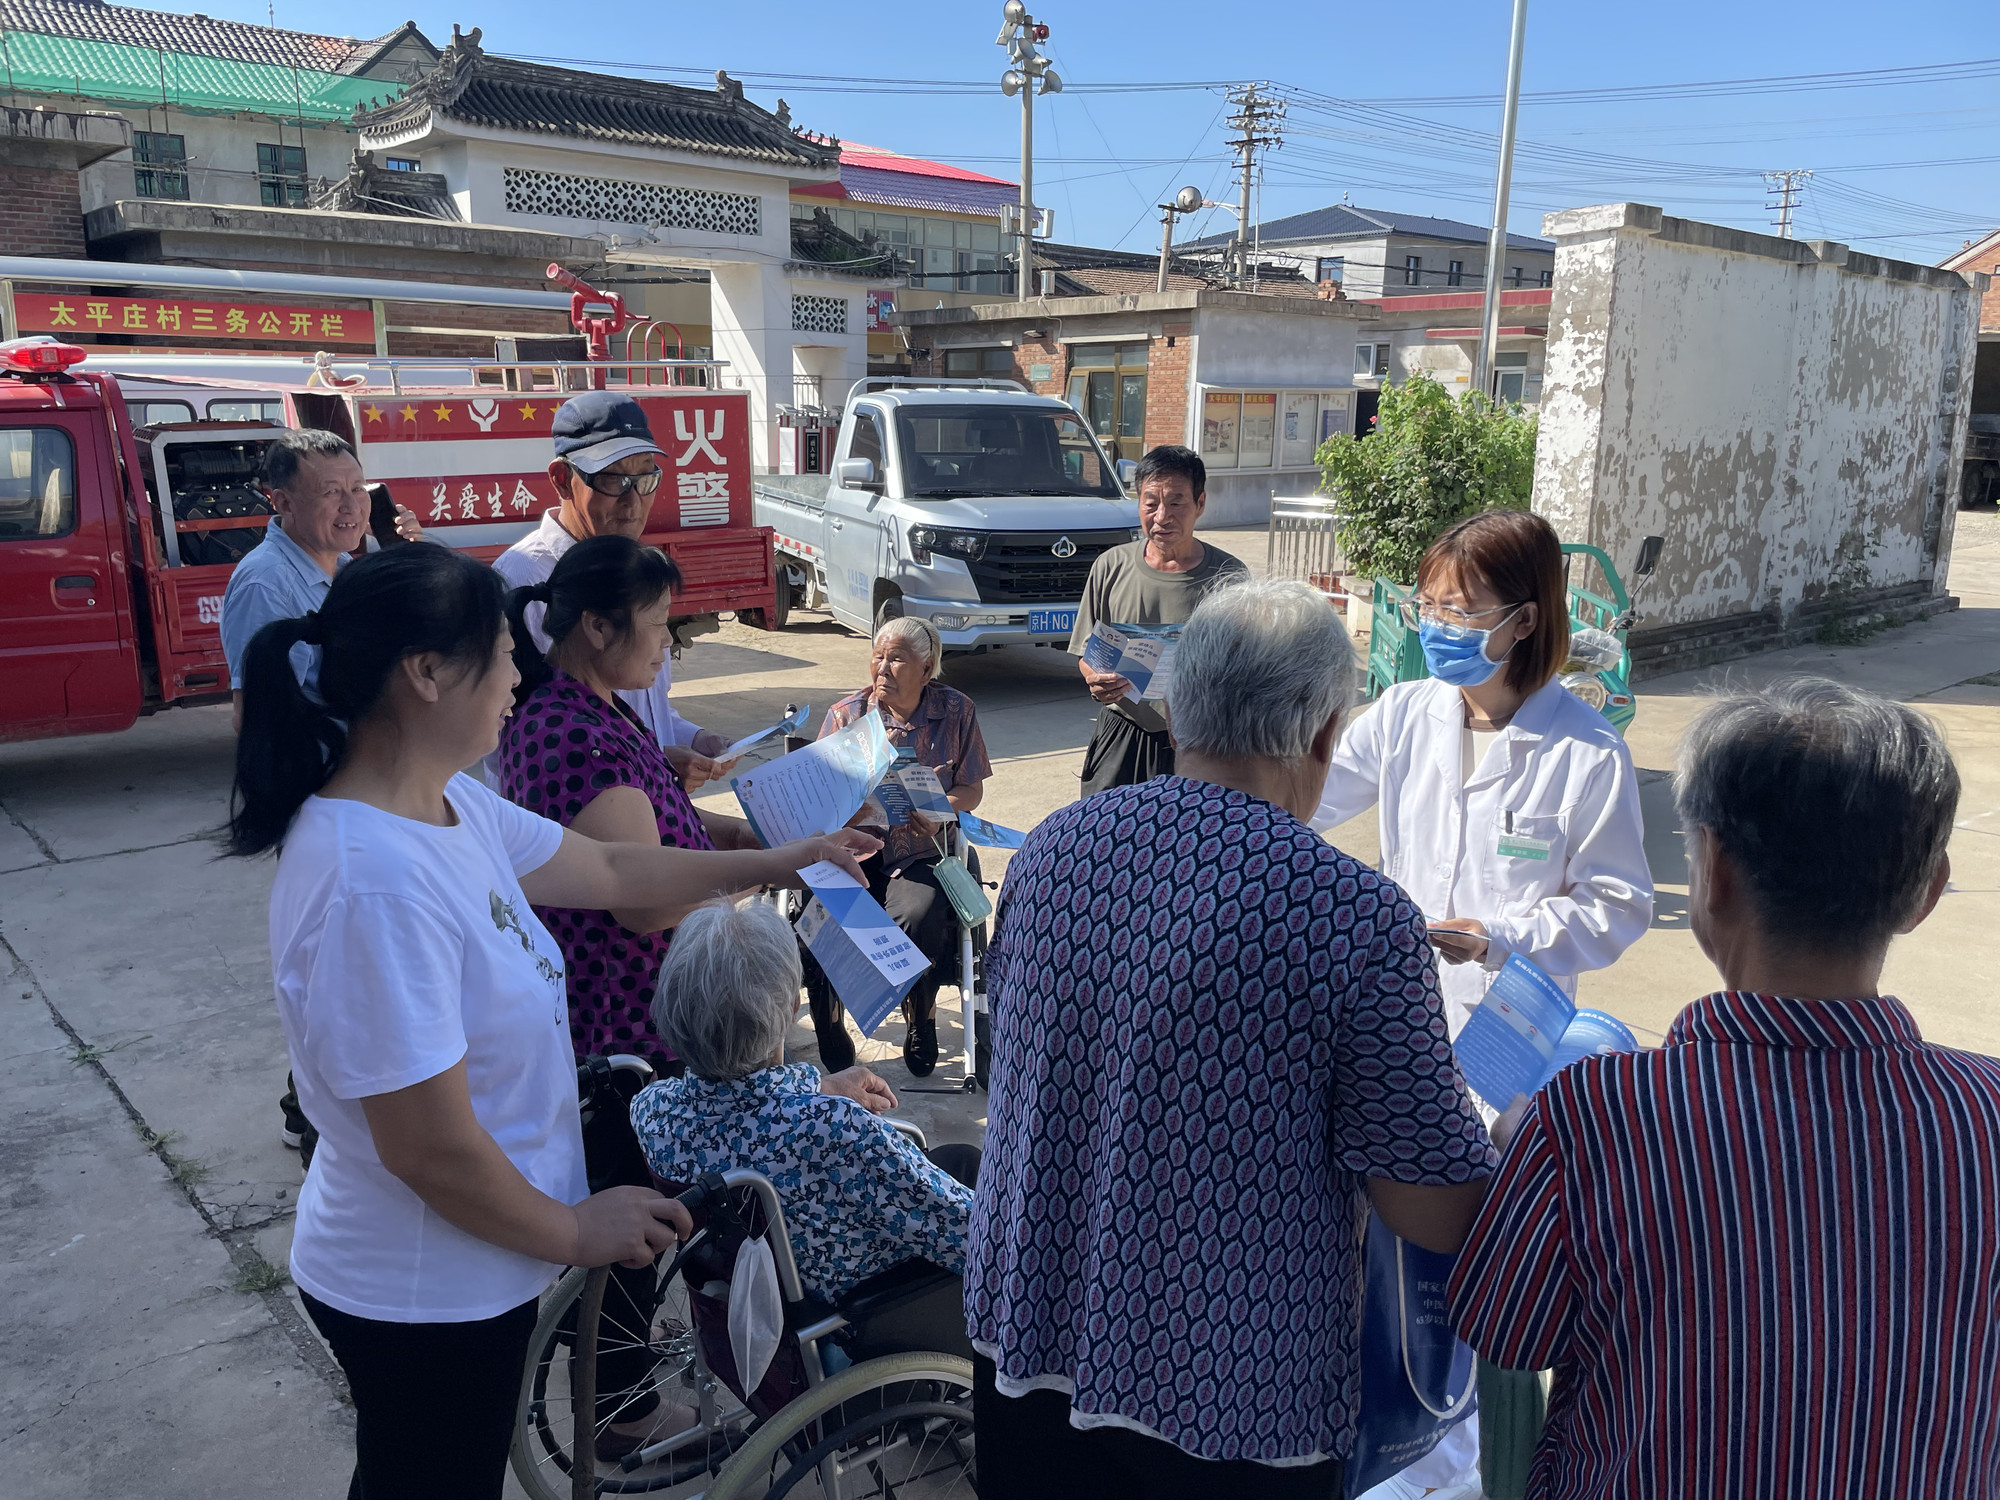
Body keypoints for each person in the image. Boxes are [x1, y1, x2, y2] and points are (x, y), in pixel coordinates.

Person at [226, 543, 876, 1500]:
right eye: (500, 656)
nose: (517, 681)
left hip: (471, 1263)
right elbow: (426, 1147)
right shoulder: (373, 881)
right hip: (422, 1285)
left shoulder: (449, 806)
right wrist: (572, 1229)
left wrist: (788, 859)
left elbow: (611, 869)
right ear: (425, 673)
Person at [967, 580, 1497, 1497]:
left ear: (1177, 711)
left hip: (1028, 1349)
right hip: (1230, 1405)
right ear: (1326, 734)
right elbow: (1435, 1206)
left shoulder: (1051, 853)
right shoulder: (1355, 920)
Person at [1448, 677, 1999, 1499]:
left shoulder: (1596, 1114)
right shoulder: (1985, 1115)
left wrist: (1520, 1158)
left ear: (1713, 872)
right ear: (1926, 890)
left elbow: (1506, 1331)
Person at [493, 533, 901, 1461]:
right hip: (627, 1016)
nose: (668, 645)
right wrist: (778, 863)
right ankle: (621, 1416)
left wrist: (772, 836)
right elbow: (642, 897)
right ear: (597, 628)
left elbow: (667, 831)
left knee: (654, 1206)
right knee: (639, 1219)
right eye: (658, 626)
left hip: (649, 1005)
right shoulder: (570, 732)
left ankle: (625, 1396)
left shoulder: (597, 709)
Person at [1313, 509, 1653, 1040]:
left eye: (1459, 612)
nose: (1436, 626)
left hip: (1510, 1023)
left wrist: (1498, 938)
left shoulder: (1589, 752)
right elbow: (1311, 798)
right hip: (1397, 1008)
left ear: (1524, 621)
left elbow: (1615, 906)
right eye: (1427, 606)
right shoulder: (1401, 714)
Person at [631, 895, 979, 1342]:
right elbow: (976, 1238)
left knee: (958, 1160)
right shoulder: (833, 1130)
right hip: (858, 1315)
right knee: (969, 1170)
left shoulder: (652, 1110)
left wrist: (817, 1086)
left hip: (761, 1296)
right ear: (790, 1010)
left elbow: (745, 1109)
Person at [217, 428, 422, 1166]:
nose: (351, 506)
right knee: (339, 964)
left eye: (358, 489)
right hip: (324, 797)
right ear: (279, 501)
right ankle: (309, 1114)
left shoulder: (342, 567)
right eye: (330, 493)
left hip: (365, 790)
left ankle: (313, 1101)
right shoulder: (266, 583)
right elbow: (257, 709)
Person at [491, 390, 735, 790]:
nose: (633, 502)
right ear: (562, 480)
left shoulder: (633, 569)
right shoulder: (521, 577)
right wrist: (648, 762)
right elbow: (508, 739)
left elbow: (645, 709)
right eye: (614, 480)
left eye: (645, 479)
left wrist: (692, 739)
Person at [806, 615, 992, 1078]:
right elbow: (817, 796)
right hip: (855, 850)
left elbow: (971, 788)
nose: (882, 668)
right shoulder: (847, 715)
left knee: (918, 915)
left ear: (926, 669)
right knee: (822, 914)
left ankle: (920, 1014)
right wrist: (847, 809)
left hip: (921, 849)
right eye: (878, 656)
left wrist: (941, 810)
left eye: (896, 659)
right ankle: (830, 1021)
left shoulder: (956, 710)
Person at [1069, 444, 1247, 797]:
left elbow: (1244, 672)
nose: (1162, 517)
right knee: (1105, 827)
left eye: (1176, 503)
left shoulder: (1230, 577)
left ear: (1200, 504)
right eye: (1150, 503)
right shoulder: (1110, 566)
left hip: (1199, 742)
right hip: (1121, 733)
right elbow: (1088, 652)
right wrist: (1095, 679)